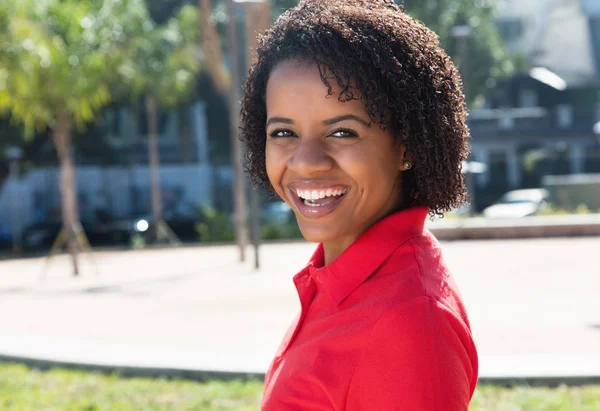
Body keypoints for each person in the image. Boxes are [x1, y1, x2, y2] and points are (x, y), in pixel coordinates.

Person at [239, 0, 478, 409]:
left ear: (406, 146)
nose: (307, 161)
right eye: (283, 133)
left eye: (343, 133)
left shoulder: (408, 321)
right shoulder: (340, 279)